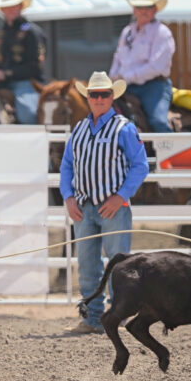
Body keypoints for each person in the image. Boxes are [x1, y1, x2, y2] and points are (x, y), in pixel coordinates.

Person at [59, 71, 149, 334]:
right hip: (84, 207)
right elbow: (67, 166)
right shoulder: (79, 129)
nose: (99, 98)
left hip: (113, 208)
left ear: (112, 97)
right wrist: (68, 197)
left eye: (104, 94)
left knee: (118, 266)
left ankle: (117, 317)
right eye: (94, 94)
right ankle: (93, 318)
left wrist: (120, 196)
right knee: (88, 266)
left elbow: (140, 166)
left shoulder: (125, 128)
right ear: (88, 97)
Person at [109, 0, 175, 134]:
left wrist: (124, 77)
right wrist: (112, 77)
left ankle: (169, 154)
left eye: (148, 7)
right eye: (139, 7)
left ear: (155, 10)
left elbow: (156, 67)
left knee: (157, 121)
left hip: (153, 87)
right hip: (124, 86)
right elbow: (117, 58)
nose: (143, 11)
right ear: (134, 10)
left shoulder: (162, 33)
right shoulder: (127, 32)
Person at [0, 0, 46, 125]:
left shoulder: (33, 33)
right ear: (1, 9)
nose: (11, 9)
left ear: (21, 6)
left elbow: (35, 67)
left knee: (28, 115)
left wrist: (5, 73)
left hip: (27, 84)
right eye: (7, 6)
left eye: (14, 5)